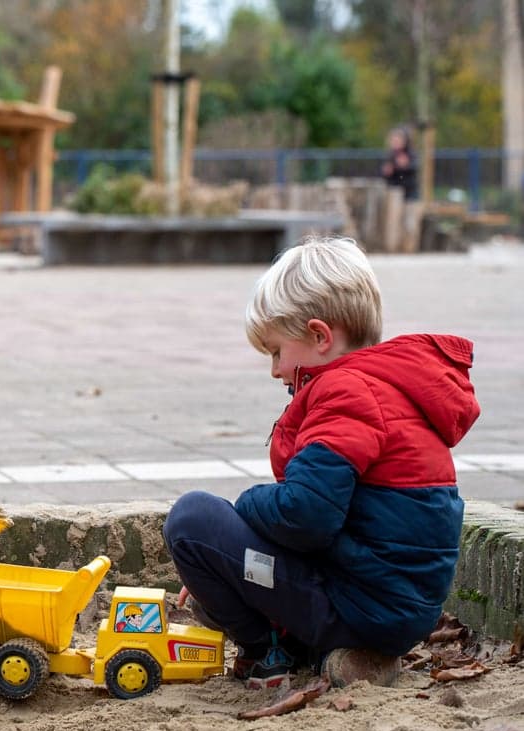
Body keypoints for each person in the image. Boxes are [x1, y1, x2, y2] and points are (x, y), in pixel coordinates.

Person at [162, 236, 479, 690]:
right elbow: (333, 516)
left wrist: (241, 511)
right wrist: (230, 558)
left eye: (277, 351)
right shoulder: (383, 386)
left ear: (320, 336)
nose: (274, 369)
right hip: (387, 606)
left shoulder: (345, 391)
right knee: (218, 563)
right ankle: (350, 657)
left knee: (193, 521)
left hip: (359, 606)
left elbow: (306, 516)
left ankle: (270, 651)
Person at [381, 126, 418, 201]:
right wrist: (386, 172)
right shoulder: (389, 155)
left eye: (398, 140)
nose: (396, 142)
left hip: (409, 192)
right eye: (394, 140)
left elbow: (414, 168)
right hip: (393, 192)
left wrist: (406, 166)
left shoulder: (410, 153)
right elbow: (385, 175)